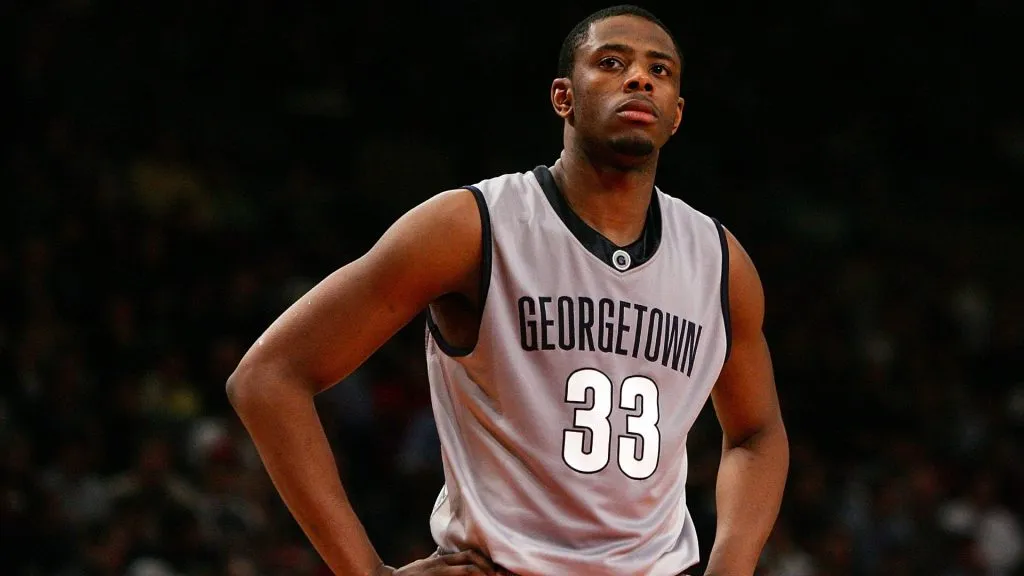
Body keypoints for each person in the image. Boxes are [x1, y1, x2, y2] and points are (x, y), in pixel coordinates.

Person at [226, 5, 789, 575]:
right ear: (563, 98)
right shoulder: (470, 227)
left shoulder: (720, 261)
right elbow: (268, 377)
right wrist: (366, 572)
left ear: (676, 115)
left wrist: (731, 567)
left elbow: (757, 431)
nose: (639, 78)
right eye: (611, 62)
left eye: (660, 71)